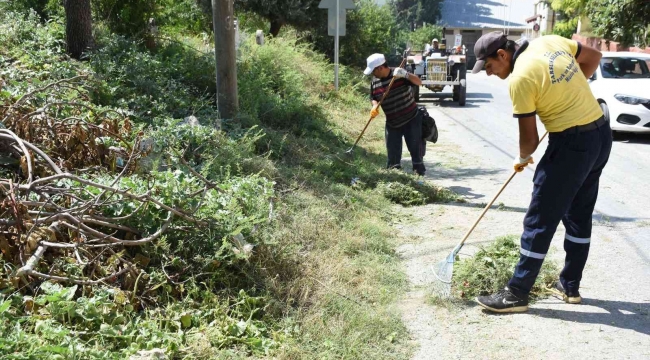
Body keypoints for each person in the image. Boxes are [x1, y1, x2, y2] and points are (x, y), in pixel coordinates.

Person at [471, 32, 612, 313]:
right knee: (578, 214)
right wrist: (568, 96)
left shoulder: (520, 79)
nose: (489, 73)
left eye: (489, 66)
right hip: (599, 135)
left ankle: (516, 293)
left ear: (502, 55)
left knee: (539, 219)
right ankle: (569, 285)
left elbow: (529, 141)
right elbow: (594, 57)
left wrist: (522, 158)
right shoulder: (548, 41)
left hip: (571, 146)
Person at [364, 53, 426, 175]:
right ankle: (395, 178)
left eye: (373, 71)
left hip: (411, 119)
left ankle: (419, 177)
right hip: (392, 123)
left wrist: (406, 74)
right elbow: (373, 96)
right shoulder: (374, 81)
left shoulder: (399, 74)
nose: (372, 74)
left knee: (416, 154)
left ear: (380, 68)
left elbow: (419, 82)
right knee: (393, 158)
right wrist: (375, 105)